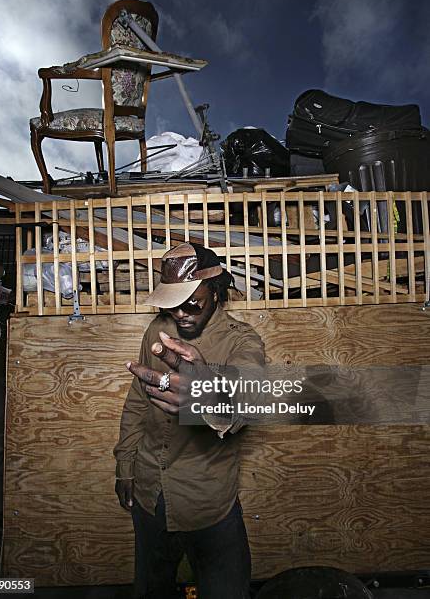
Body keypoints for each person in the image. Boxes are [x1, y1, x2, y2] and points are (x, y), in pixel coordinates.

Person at [113, 242, 265, 599]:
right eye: (172, 304)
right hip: (150, 494)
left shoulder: (241, 341)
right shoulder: (157, 331)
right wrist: (125, 467)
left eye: (192, 303)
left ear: (215, 292)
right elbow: (137, 401)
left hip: (208, 502)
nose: (181, 313)